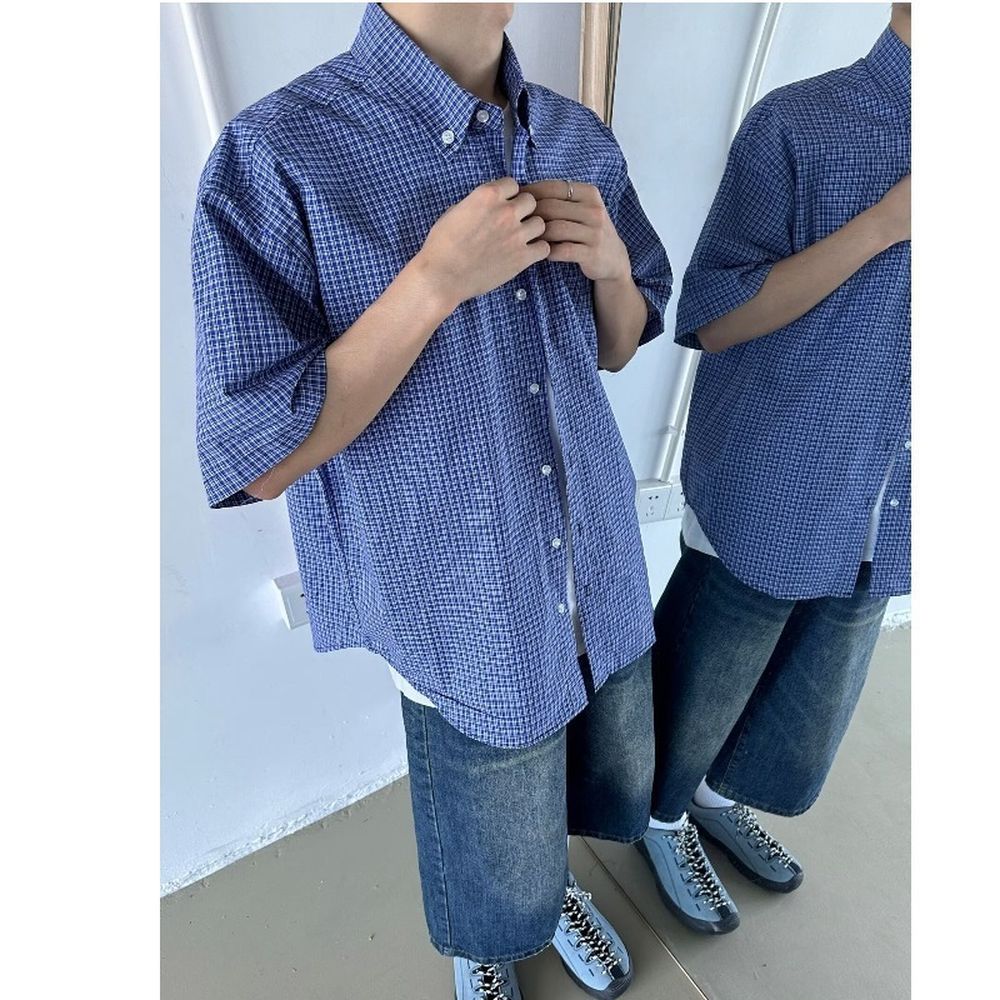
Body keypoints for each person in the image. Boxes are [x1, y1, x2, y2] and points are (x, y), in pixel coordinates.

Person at [191, 4, 672, 997]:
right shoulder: (277, 154)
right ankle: (488, 939)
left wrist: (613, 267)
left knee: (574, 773)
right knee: (487, 813)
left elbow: (619, 346)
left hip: (591, 550)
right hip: (458, 592)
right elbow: (257, 455)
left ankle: (547, 890)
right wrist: (435, 281)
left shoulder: (573, 135)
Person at [638, 4, 911, 935]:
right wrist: (886, 224)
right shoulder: (801, 121)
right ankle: (659, 817)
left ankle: (713, 795)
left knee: (804, 686)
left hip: (895, 491)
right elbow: (713, 314)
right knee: (708, 671)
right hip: (776, 473)